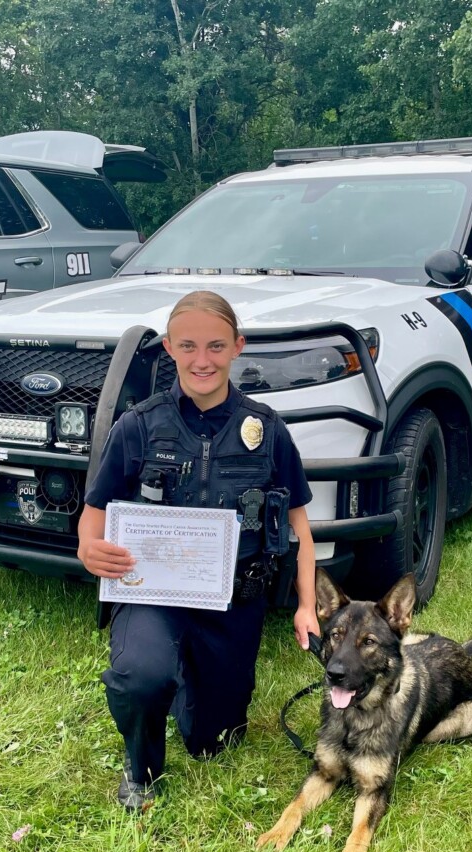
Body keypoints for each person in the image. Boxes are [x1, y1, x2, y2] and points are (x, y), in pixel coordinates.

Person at [78, 290, 318, 811]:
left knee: (215, 742)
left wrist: (305, 606)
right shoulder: (139, 425)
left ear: (238, 347)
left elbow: (300, 525)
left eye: (215, 345)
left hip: (233, 600)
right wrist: (88, 549)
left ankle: (193, 679)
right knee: (141, 674)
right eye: (187, 345)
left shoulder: (268, 429)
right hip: (155, 594)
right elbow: (93, 511)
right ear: (169, 348)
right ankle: (141, 768)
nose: (201, 359)